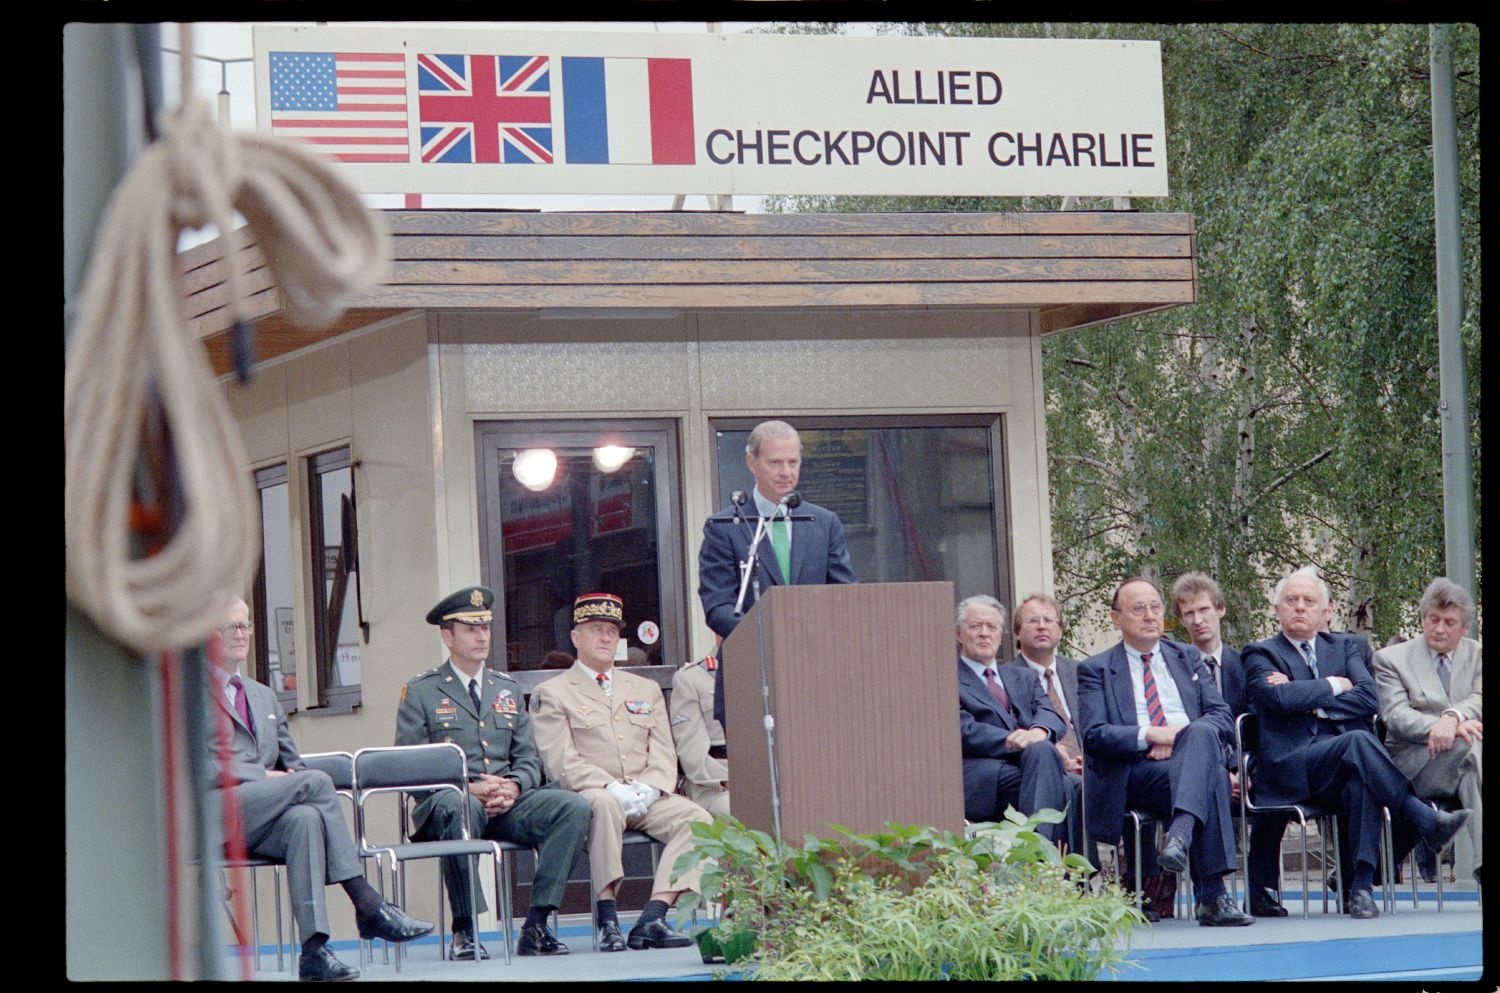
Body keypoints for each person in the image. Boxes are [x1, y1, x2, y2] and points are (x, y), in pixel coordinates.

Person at [206, 597, 432, 982]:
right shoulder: (187, 692)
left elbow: (292, 764)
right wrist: (263, 777)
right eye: (232, 627)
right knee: (316, 784)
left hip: (258, 816)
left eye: (246, 626)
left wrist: (288, 776)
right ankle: (367, 902)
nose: (242, 635)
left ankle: (314, 951)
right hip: (210, 814)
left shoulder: (262, 695)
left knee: (306, 818)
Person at [1240, 568, 1470, 919]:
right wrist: (1334, 684)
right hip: (1290, 767)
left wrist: (1306, 698)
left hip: (1341, 765)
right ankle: (1421, 815)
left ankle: (1359, 888)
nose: (1300, 607)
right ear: (1277, 609)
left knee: (1362, 780)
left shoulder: (1347, 645)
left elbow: (1368, 700)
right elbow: (1277, 699)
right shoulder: (1260, 653)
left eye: (1309, 601)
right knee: (1359, 742)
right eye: (1291, 601)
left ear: (1324, 611)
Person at [395, 586, 591, 960]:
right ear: (447, 635)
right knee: (461, 806)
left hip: (506, 803)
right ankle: (465, 928)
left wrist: (515, 787)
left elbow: (529, 759)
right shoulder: (421, 691)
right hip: (450, 805)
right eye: (470, 628)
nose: (482, 636)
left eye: (485, 626)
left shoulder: (507, 689)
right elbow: (411, 765)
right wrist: (470, 787)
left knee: (573, 807)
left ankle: (537, 924)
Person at [531, 593, 713, 952]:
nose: (605, 638)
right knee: (603, 804)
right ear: (575, 637)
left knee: (699, 819)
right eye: (595, 629)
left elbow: (663, 750)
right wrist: (609, 785)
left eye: (612, 632)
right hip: (593, 793)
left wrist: (652, 787)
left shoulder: (643, 689)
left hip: (645, 795)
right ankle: (608, 916)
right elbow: (560, 760)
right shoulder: (552, 692)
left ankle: (654, 916)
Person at [1076, 578, 1253, 927]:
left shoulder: (1186, 657)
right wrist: (1151, 734)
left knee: (1203, 742)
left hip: (1186, 762)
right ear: (1115, 618)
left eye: (1155, 607)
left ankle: (1180, 835)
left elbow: (1220, 715)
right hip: (1135, 773)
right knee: (1209, 769)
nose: (1149, 615)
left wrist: (1180, 739)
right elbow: (1095, 735)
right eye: (1138, 608)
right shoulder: (1095, 669)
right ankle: (1212, 897)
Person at [697, 420, 858, 724]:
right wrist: (772, 639)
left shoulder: (823, 523)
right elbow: (717, 606)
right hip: (751, 676)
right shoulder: (724, 527)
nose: (786, 472)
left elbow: (844, 595)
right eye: (775, 462)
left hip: (817, 676)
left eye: (793, 461)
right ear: (751, 463)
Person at [1170, 571, 1289, 918]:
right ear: (1180, 619)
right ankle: (1209, 894)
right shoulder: (1174, 669)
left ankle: (1260, 889)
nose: (1198, 620)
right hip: (1197, 763)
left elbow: (1259, 725)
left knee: (1278, 782)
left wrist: (1242, 767)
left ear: (1220, 610)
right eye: (1188, 613)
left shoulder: (1247, 664)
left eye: (1204, 610)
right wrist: (1225, 769)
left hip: (1248, 761)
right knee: (1210, 784)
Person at [1371, 577, 1482, 888]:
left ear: (1464, 629)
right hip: (1414, 761)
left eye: (1450, 622)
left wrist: (1454, 715)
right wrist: (1447, 725)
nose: (1440, 628)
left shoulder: (1477, 655)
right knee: (1474, 749)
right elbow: (1396, 716)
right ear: (1423, 620)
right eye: (1433, 619)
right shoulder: (1390, 659)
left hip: (1463, 758)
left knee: (1473, 757)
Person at [955, 595, 1070, 836]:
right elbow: (964, 730)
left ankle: (1053, 864)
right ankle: (1043, 859)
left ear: (1001, 636)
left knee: (1054, 763)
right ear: (958, 635)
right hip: (984, 774)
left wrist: (1038, 733)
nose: (984, 633)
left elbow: (1050, 713)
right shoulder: (948, 678)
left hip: (1031, 763)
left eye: (992, 627)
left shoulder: (1022, 676)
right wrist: (1018, 740)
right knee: (1061, 781)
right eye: (975, 626)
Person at [1003, 593, 1093, 862]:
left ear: (1060, 630)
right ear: (1017, 633)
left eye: (1048, 620)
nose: (1042, 626)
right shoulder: (1006, 677)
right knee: (1074, 788)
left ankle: (1145, 881)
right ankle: (1077, 876)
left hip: (1092, 765)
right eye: (1032, 621)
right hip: (1042, 770)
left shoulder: (1082, 672)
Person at [669, 645, 730, 818]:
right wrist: (732, 780)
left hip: (768, 782)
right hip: (716, 787)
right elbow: (691, 753)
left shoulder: (769, 670)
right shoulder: (692, 677)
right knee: (753, 817)